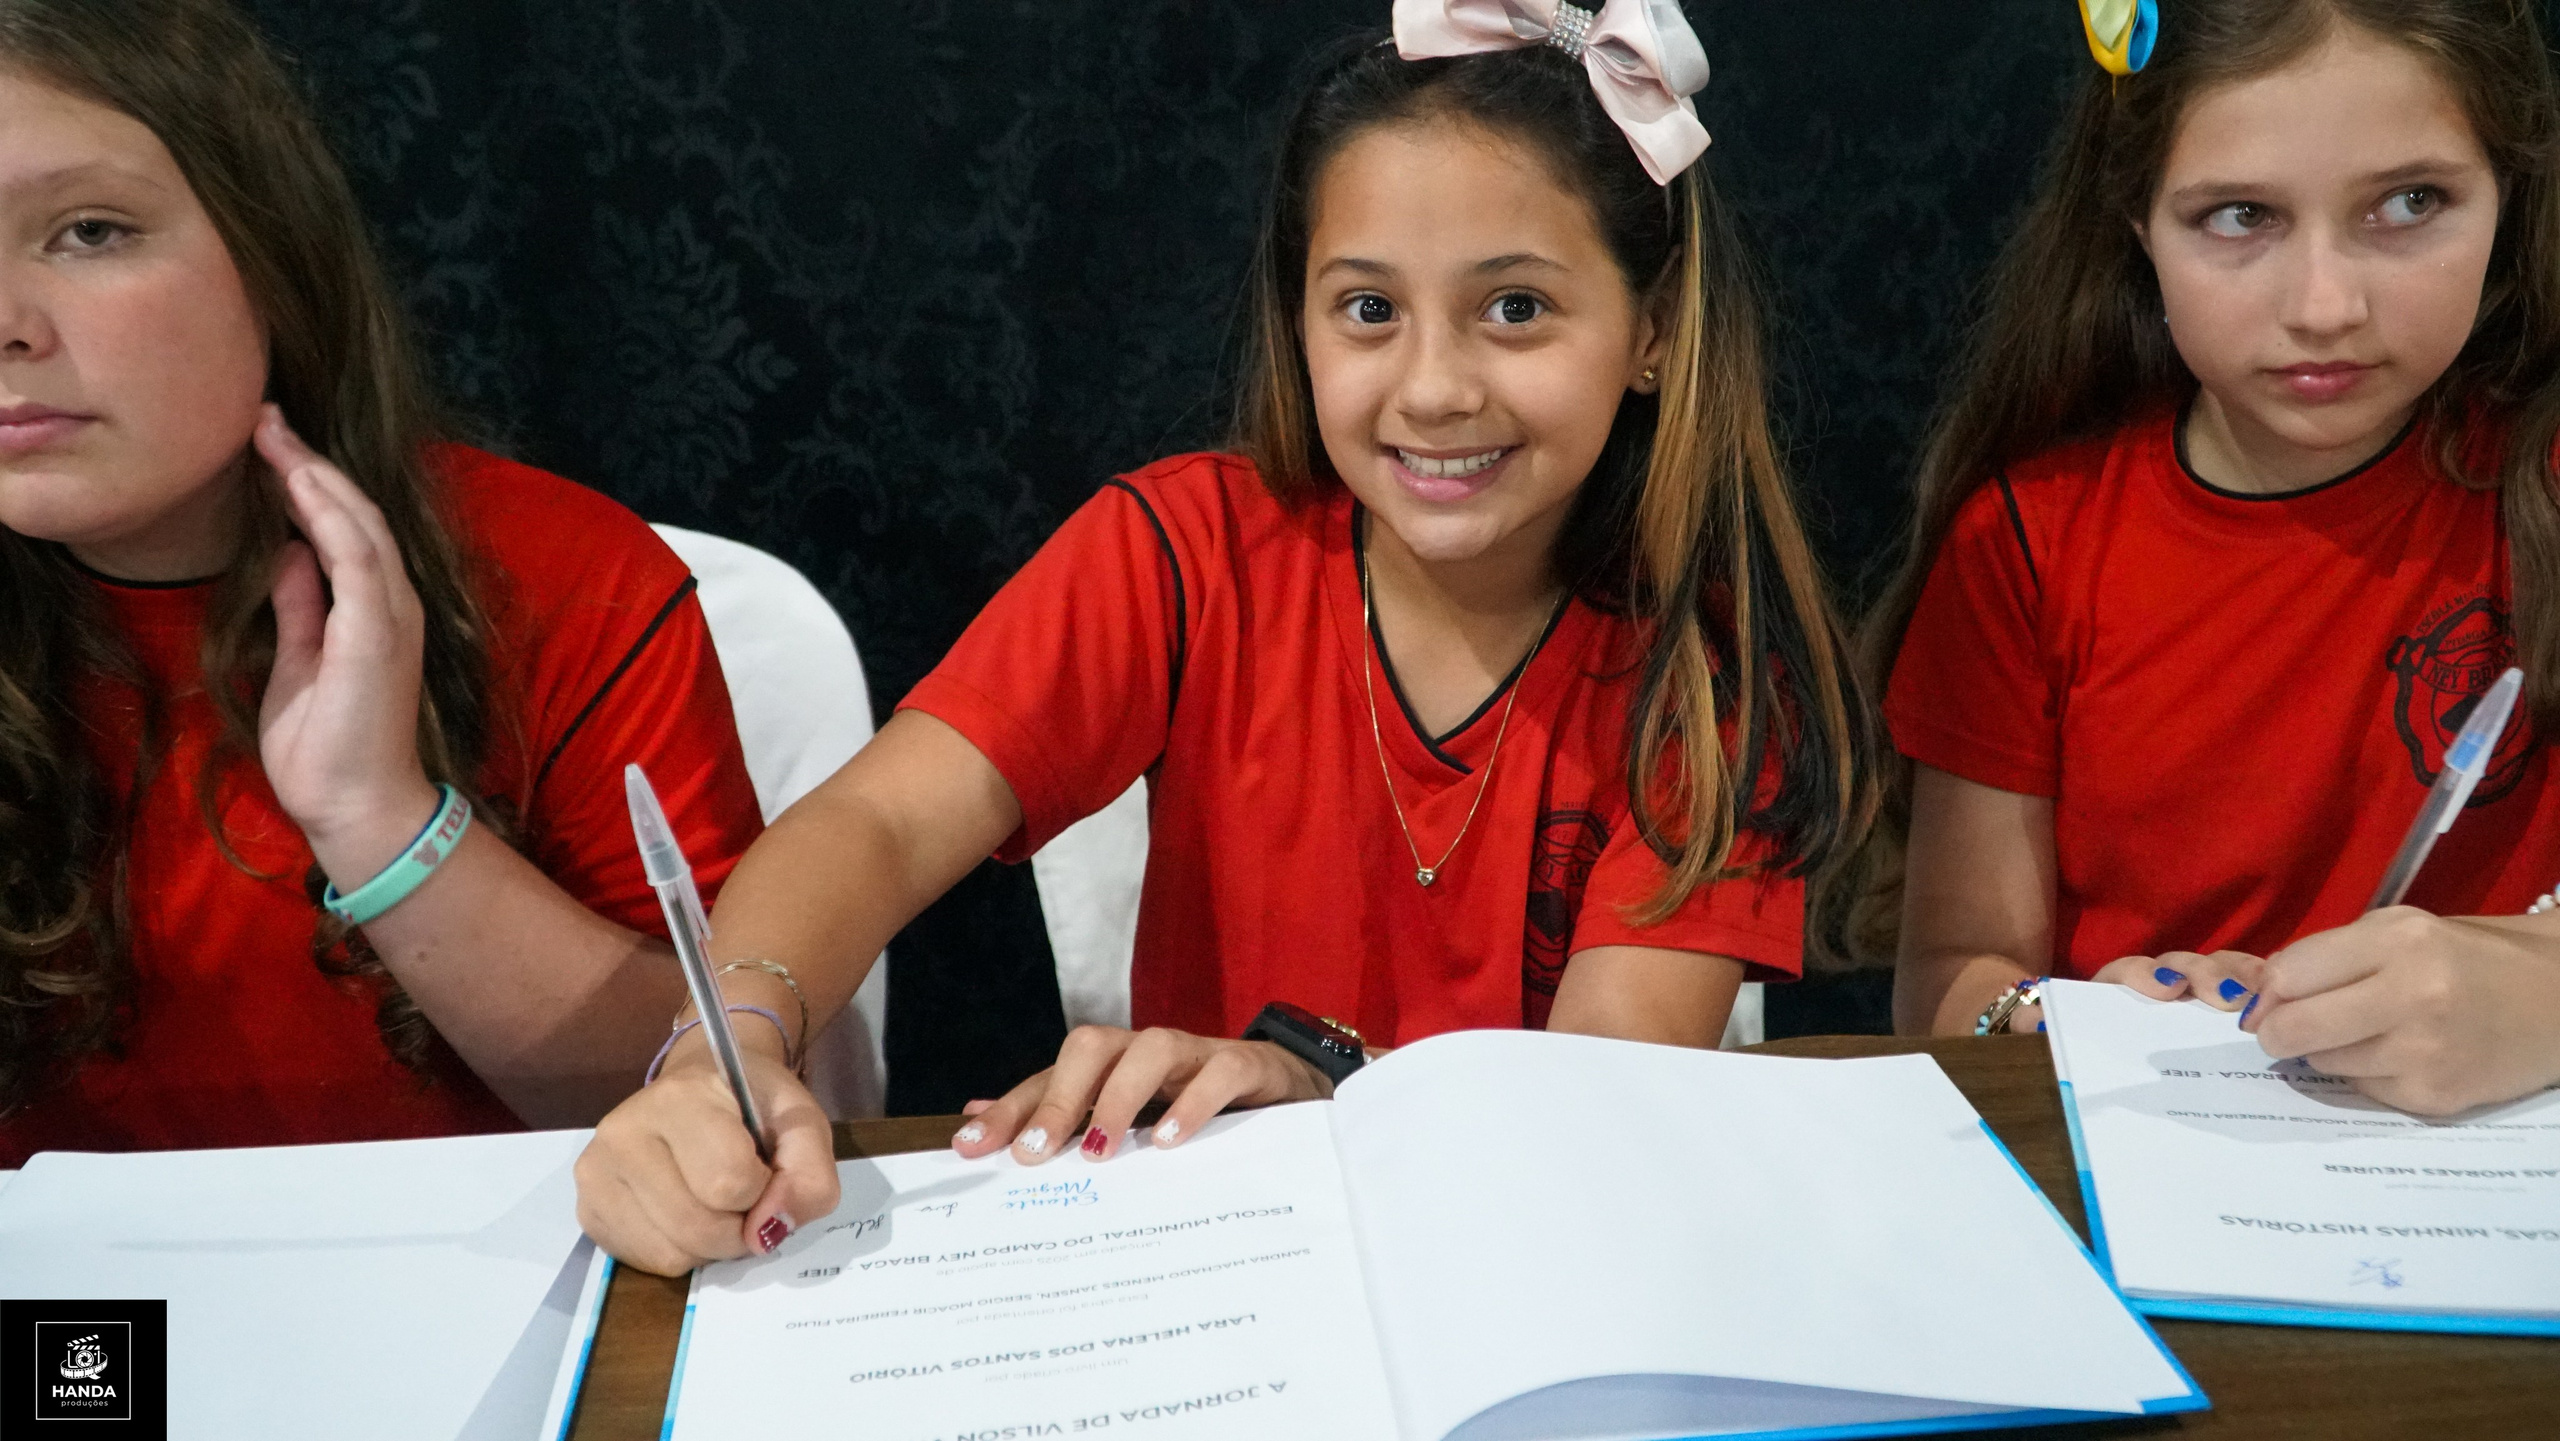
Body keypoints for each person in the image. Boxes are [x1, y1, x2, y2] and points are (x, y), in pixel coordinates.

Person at [576, 4, 1880, 1276]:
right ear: (1300, 319)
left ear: (1651, 333)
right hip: (1213, 1279)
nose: (1433, 387)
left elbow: (1588, 1123)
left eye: (1517, 309)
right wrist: (725, 1045)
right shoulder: (1180, 554)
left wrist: (1319, 1081)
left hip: (1512, 1286)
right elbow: (878, 825)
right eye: (1368, 310)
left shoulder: (1700, 685)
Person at [0, 0, 764, 1163]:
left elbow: (710, 1104)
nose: (7, 325)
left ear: (277, 258)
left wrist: (381, 818)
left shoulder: (570, 581)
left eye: (90, 231)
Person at [1871, 0, 2560, 1114]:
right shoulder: (2026, 543)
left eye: (2409, 203)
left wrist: (2536, 993)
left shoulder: (2540, 489)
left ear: (2509, 192)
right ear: (2138, 222)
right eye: (2240, 216)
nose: (2324, 305)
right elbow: (1953, 980)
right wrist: (2068, 1016)